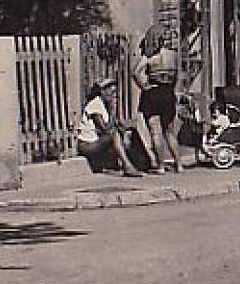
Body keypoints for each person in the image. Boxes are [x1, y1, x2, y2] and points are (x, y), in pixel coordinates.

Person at [131, 26, 182, 174]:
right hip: (168, 92)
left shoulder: (149, 57)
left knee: (155, 131)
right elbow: (177, 75)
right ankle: (178, 164)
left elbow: (135, 72)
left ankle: (160, 165)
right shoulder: (173, 55)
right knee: (169, 131)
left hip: (153, 91)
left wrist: (143, 86)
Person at [75, 81, 143, 177]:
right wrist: (113, 111)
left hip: (98, 141)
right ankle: (127, 166)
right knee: (113, 134)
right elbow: (104, 129)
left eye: (115, 92)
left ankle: (140, 163)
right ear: (103, 92)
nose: (114, 95)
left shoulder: (104, 105)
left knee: (129, 131)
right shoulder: (95, 105)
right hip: (87, 144)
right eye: (112, 92)